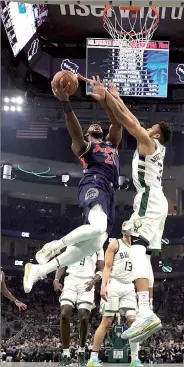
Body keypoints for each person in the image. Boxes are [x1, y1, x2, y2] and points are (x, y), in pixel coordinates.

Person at [89, 82, 172, 341]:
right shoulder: (152, 144)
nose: (147, 128)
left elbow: (127, 121)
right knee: (144, 255)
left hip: (149, 198)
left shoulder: (148, 142)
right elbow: (129, 116)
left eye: (152, 129)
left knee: (135, 246)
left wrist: (107, 99)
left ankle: (146, 310)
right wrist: (114, 95)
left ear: (156, 135)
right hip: (155, 201)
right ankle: (146, 310)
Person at [23, 76, 122, 294]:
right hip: (93, 183)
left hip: (109, 192)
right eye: (90, 127)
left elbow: (117, 122)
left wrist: (105, 98)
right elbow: (75, 131)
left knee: (96, 244)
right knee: (97, 228)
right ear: (87, 135)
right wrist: (65, 102)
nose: (95, 125)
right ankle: (53, 246)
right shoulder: (84, 147)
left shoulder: (111, 144)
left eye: (98, 126)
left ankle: (38, 272)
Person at [87, 226, 142, 367]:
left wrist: (139, 288)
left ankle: (135, 359)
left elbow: (140, 270)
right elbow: (107, 267)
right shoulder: (115, 243)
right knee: (107, 321)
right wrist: (104, 285)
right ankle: (93, 358)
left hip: (129, 285)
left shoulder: (138, 247)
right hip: (115, 283)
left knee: (133, 322)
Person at [53, 250, 104, 367]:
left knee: (84, 316)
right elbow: (62, 263)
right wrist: (56, 279)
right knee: (64, 314)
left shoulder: (98, 247)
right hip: (71, 280)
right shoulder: (73, 242)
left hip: (88, 281)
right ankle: (66, 354)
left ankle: (81, 351)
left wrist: (94, 281)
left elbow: (101, 270)